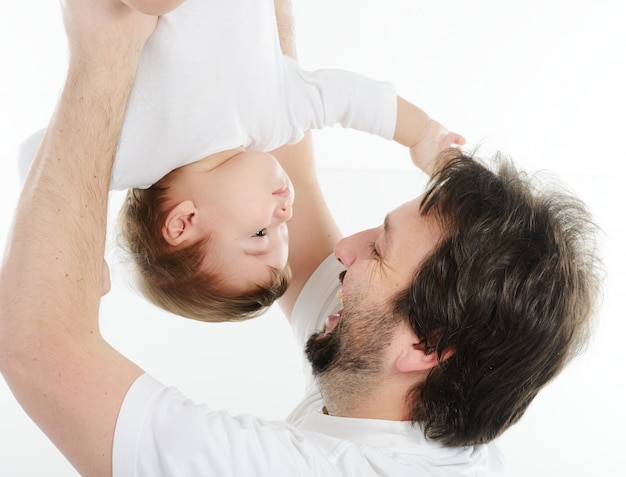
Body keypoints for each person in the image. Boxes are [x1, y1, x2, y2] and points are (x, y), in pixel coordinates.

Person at [0, 1, 602, 476]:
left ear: (425, 346)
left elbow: (38, 347)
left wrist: (102, 52)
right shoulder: (405, 378)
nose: (344, 251)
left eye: (378, 251)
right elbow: (295, 171)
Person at [17, 0, 463, 323]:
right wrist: (422, 135)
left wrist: (82, 246)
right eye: (283, 229)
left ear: (183, 223)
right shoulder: (274, 122)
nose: (287, 212)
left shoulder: (136, 152)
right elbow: (347, 98)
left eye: (260, 232)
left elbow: (44, 159)